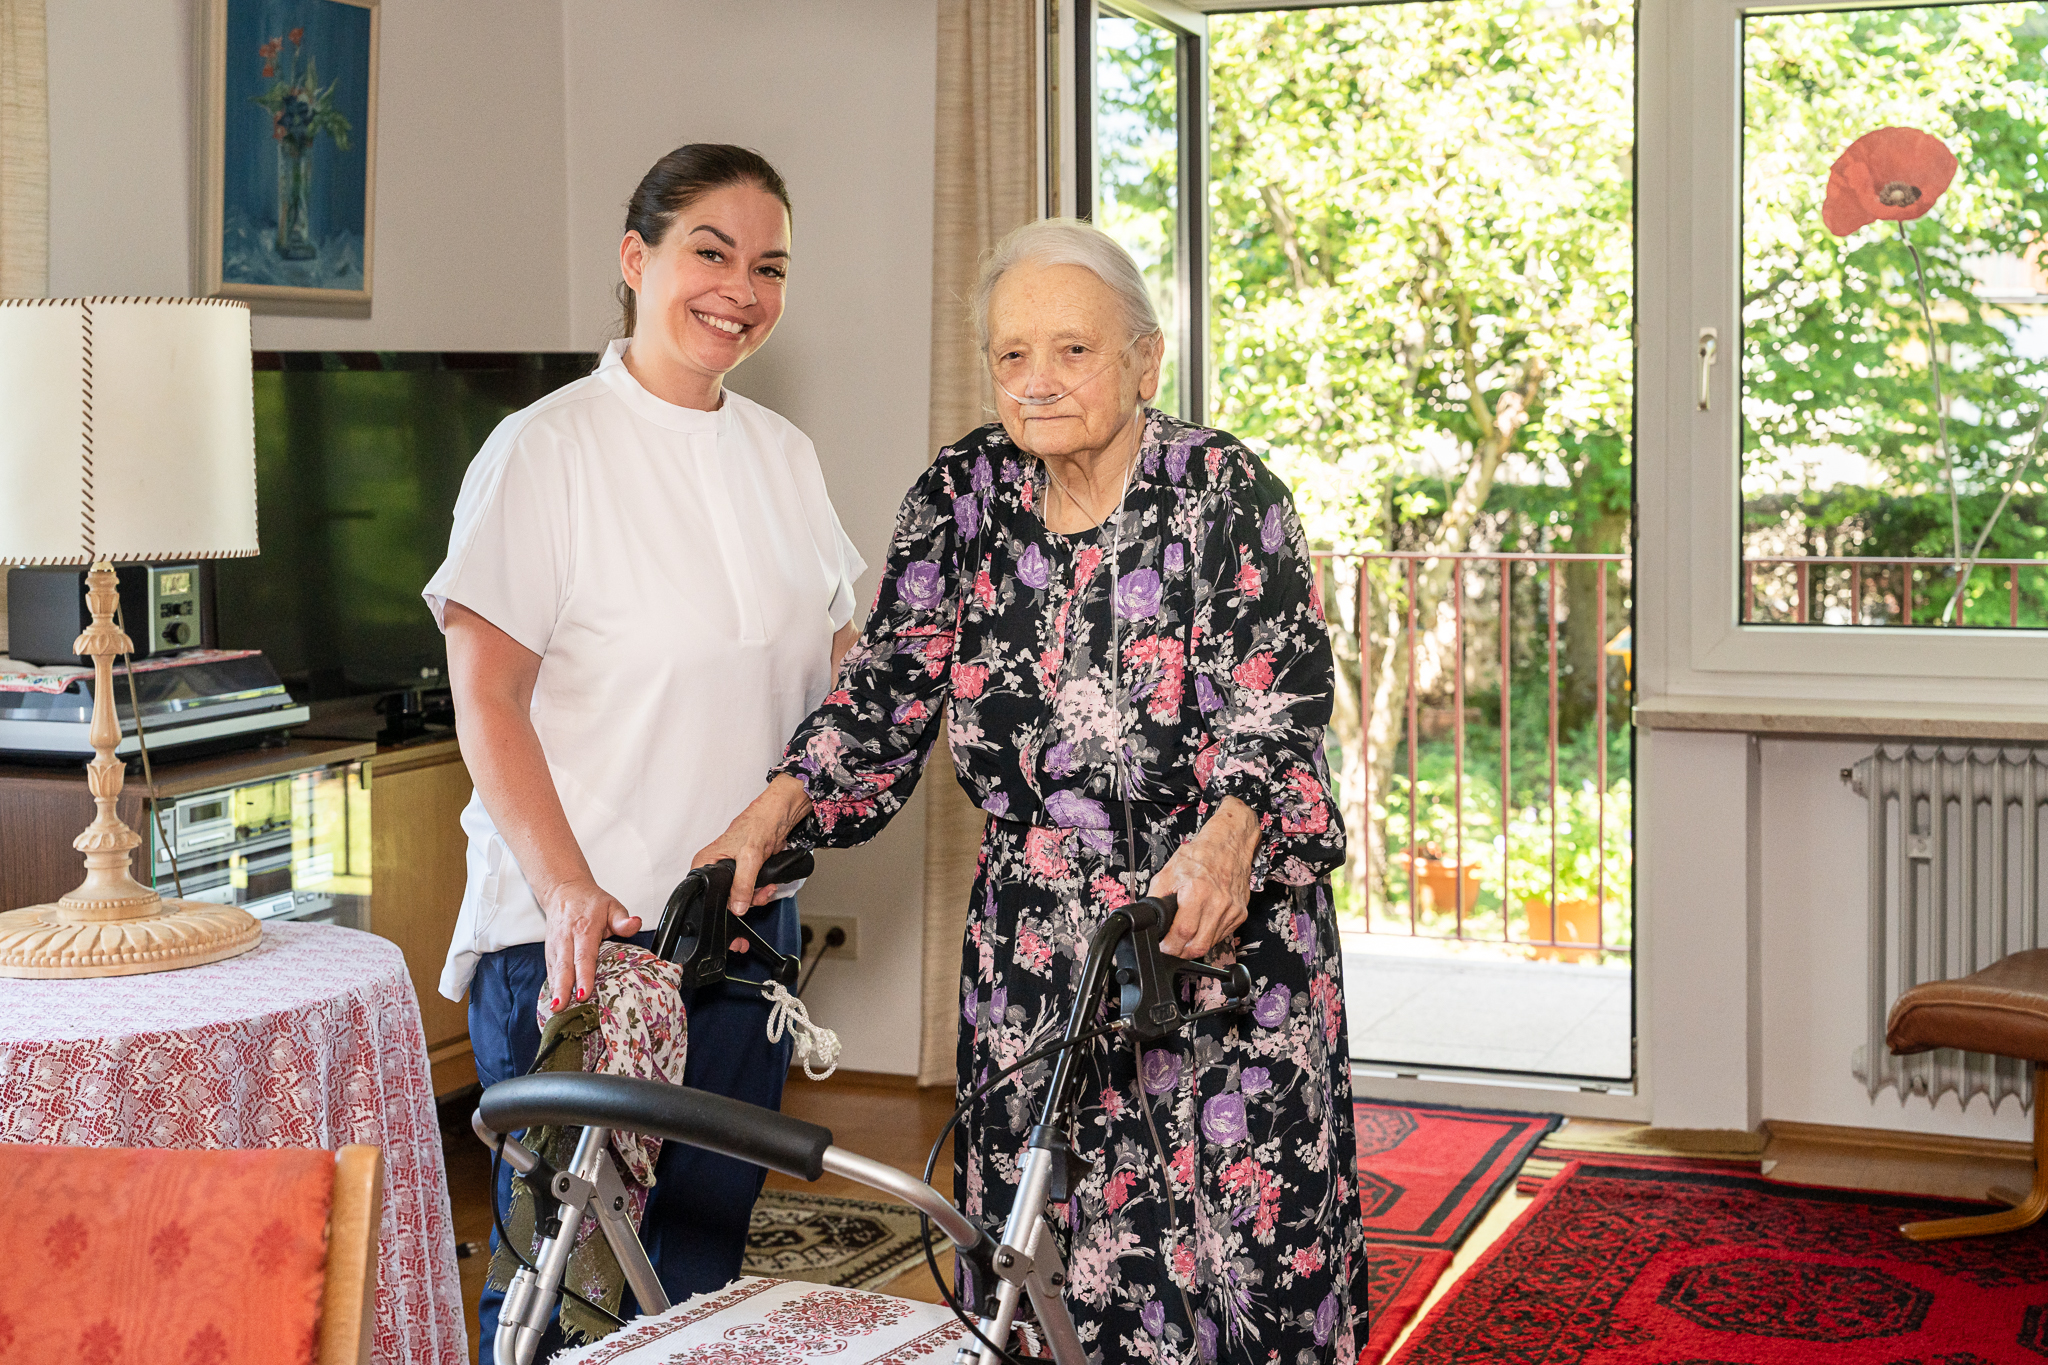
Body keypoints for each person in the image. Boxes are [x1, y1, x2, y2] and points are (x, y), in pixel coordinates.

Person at [700, 218, 1368, 1362]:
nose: (1037, 381)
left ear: (1145, 361)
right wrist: (769, 810)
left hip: (1206, 929)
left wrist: (1227, 836)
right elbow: (885, 691)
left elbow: (1278, 704)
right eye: (1011, 355)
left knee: (1237, 1259)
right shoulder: (962, 495)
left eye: (1072, 349)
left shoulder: (1223, 492)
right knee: (1039, 1243)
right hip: (1033, 950)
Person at [424, 144, 864, 1362]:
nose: (741, 288)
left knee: (704, 1252)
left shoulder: (782, 454)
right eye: (709, 253)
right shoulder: (544, 449)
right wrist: (565, 883)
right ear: (636, 260)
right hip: (580, 930)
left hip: (741, 927)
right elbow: (490, 700)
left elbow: (842, 684)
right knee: (557, 1268)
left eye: (767, 265)